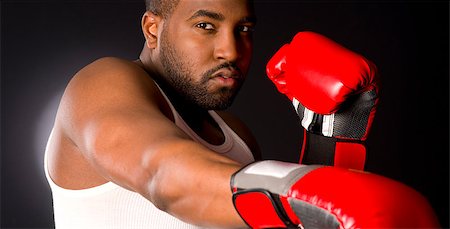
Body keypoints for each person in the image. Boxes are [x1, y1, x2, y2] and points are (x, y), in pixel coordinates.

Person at [44, 0, 440, 228]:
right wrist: (310, 193)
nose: (231, 52)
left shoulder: (234, 136)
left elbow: (301, 218)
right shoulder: (101, 84)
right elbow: (162, 175)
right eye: (205, 25)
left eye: (244, 29)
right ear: (153, 29)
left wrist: (330, 140)